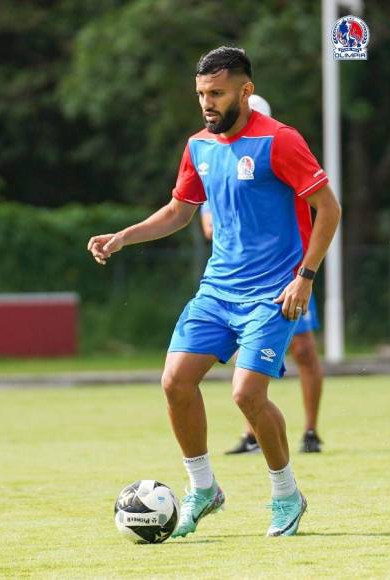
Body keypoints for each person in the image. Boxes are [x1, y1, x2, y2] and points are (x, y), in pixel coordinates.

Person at [87, 47, 341, 538]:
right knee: (174, 381)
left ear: (245, 92)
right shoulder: (198, 145)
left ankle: (286, 493)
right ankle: (204, 489)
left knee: (247, 394)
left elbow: (328, 209)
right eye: (202, 93)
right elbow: (179, 211)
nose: (207, 102)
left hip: (273, 293)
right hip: (217, 291)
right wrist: (124, 236)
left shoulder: (280, 141)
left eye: (217, 93)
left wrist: (305, 277)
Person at [199, 95, 325, 455]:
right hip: (239, 281)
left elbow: (322, 206)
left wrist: (305, 273)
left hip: (288, 276)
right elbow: (207, 223)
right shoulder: (214, 158)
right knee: (244, 358)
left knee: (303, 350)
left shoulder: (278, 155)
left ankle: (311, 430)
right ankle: (251, 434)